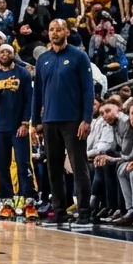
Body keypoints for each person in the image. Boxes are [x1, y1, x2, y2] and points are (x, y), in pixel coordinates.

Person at [31, 18, 94, 229]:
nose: (54, 33)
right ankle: (58, 212)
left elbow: (88, 90)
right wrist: (35, 121)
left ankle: (84, 212)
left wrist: (87, 119)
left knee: (78, 166)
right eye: (51, 29)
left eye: (58, 29)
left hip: (73, 121)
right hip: (49, 121)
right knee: (53, 169)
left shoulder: (79, 56)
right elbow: (37, 93)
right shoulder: (43, 59)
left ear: (66, 32)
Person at [0, 44, 37, 219]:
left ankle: (28, 202)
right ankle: (6, 203)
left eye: (8, 52)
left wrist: (24, 123)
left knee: (23, 165)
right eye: (2, 52)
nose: (5, 54)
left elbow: (30, 99)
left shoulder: (23, 73)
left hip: (18, 127)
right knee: (2, 167)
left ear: (14, 54)